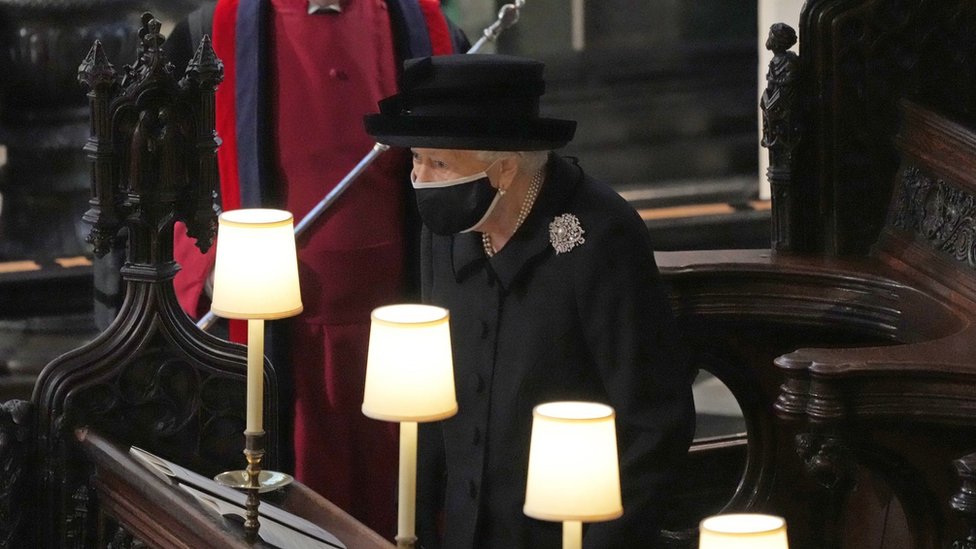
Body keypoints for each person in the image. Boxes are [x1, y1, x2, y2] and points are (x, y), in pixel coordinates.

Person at [363, 54, 697, 548]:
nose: (421, 179)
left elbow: (655, 423)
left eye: (438, 163)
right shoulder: (444, 232)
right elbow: (428, 399)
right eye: (415, 159)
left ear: (502, 169)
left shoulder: (602, 235)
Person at [164, 0, 468, 539]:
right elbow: (163, 189)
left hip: (403, 333)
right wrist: (211, 263)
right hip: (275, 337)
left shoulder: (427, 28)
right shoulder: (207, 36)